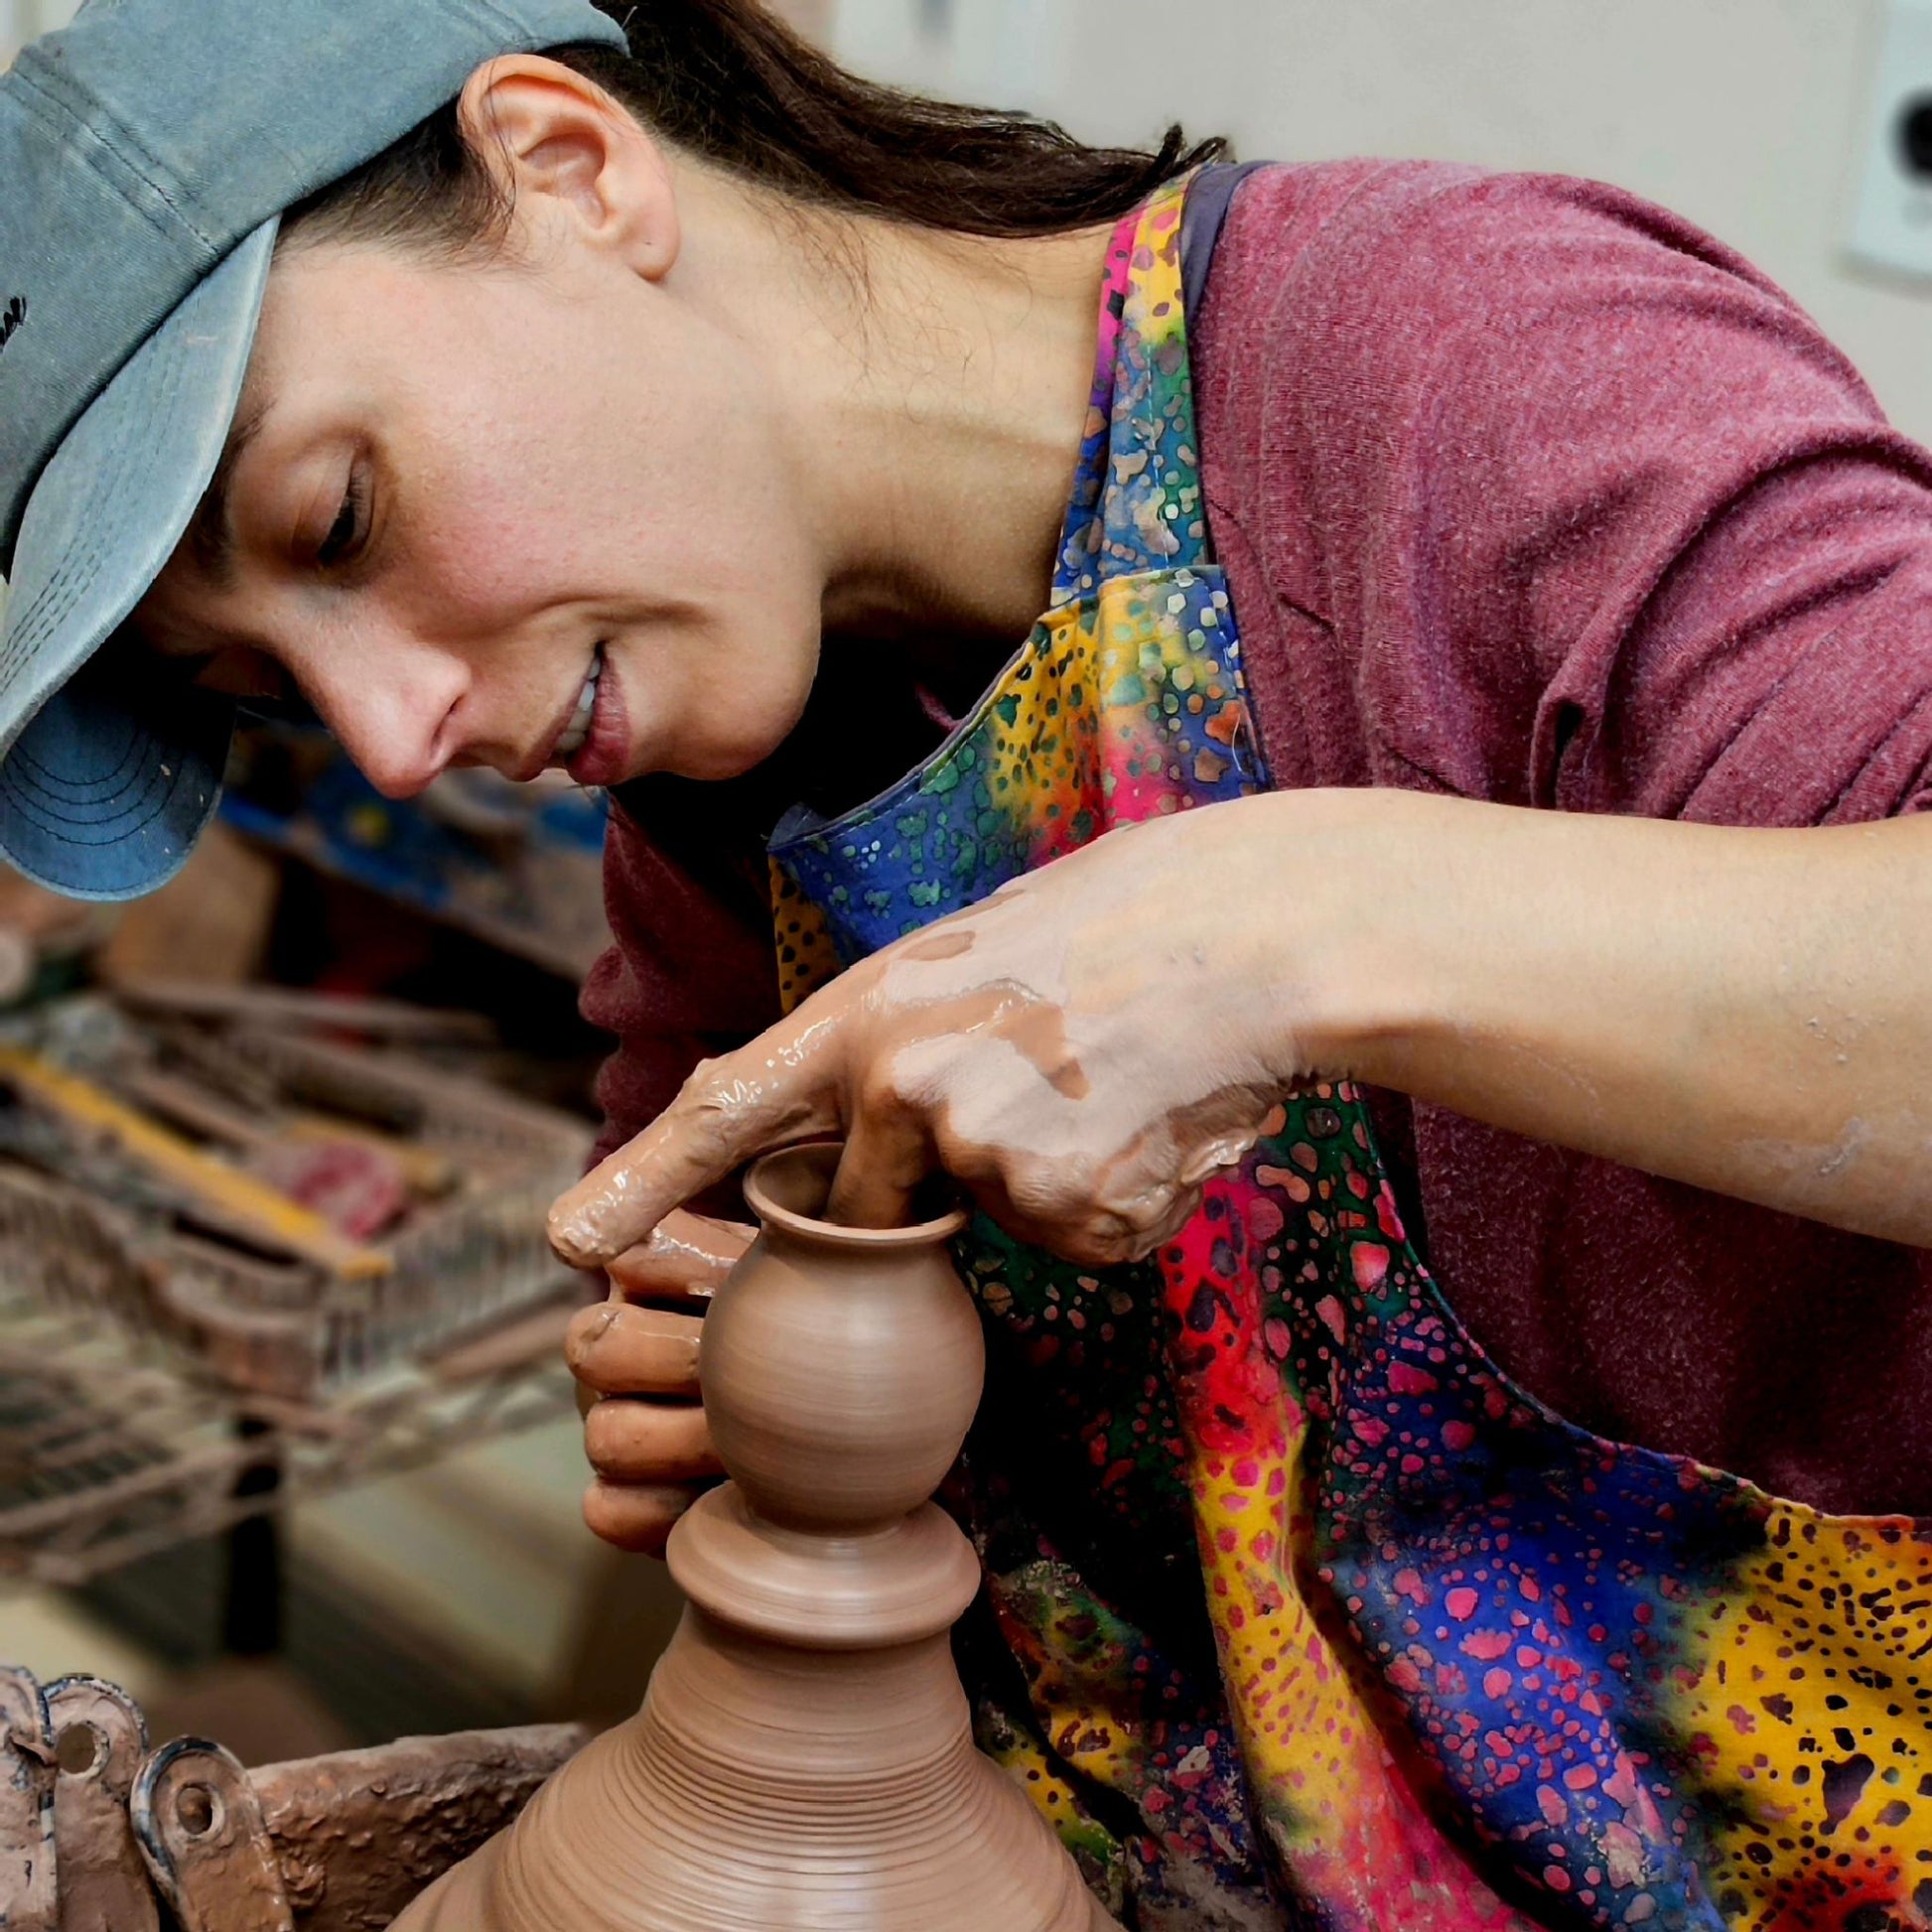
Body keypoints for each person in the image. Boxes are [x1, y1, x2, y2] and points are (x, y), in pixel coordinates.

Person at [6, 0, 1931, 1924]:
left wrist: (1278, 922)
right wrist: (753, 1397)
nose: (392, 734)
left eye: (341, 516)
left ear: (568, 168)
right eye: (264, 693)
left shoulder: (1462, 373)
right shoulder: (729, 792)